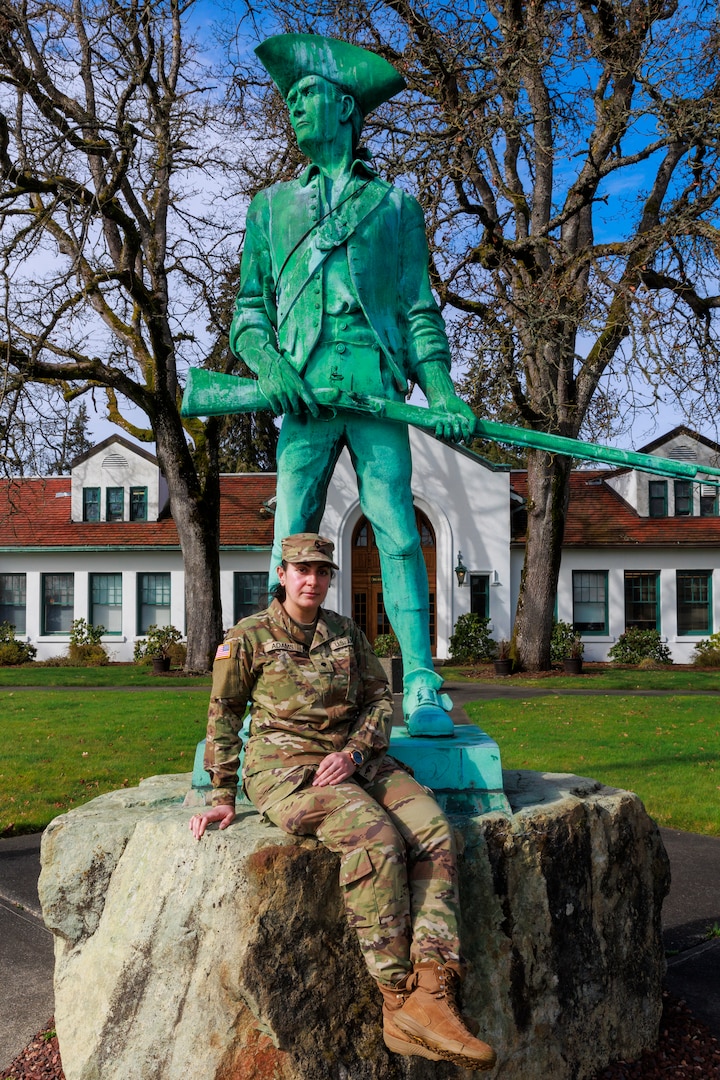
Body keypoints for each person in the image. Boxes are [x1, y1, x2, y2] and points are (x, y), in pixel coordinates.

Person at [229, 34, 476, 736]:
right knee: (289, 537)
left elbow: (419, 309)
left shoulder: (395, 207)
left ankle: (422, 681)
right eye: (290, 100)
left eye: (305, 97)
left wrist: (444, 395)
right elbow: (249, 313)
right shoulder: (269, 207)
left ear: (343, 107)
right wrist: (270, 367)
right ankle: (270, 690)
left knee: (398, 532)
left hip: (374, 385)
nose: (292, 111)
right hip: (301, 392)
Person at [189, 532, 496, 1071]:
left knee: (433, 830)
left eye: (322, 571)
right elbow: (223, 714)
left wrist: (356, 753)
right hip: (286, 770)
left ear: (330, 578)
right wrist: (222, 793)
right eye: (301, 570)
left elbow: (380, 699)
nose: (312, 580)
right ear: (281, 574)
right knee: (372, 835)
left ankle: (433, 985)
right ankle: (398, 1000)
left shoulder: (347, 634)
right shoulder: (248, 637)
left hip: (357, 760)